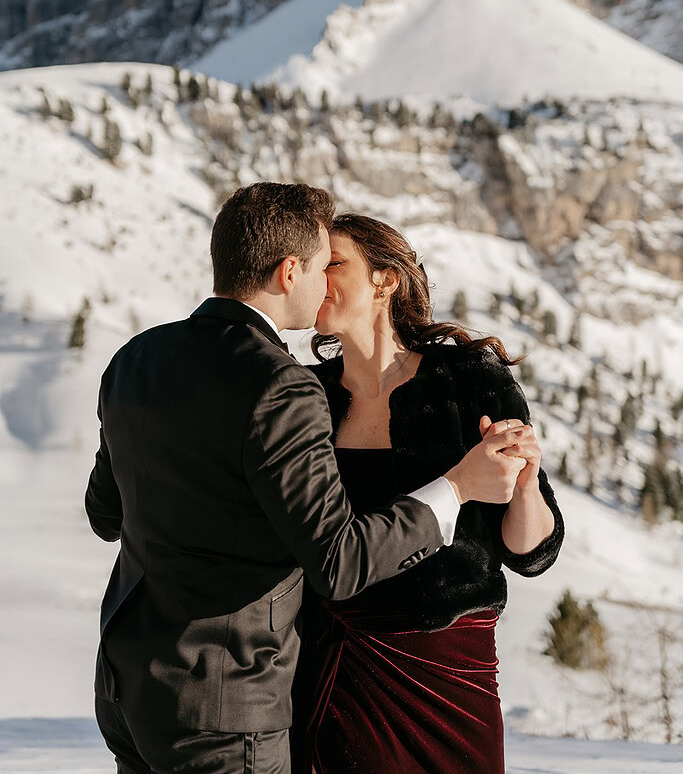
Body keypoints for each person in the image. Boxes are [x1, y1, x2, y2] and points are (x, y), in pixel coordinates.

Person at [84, 182, 527, 774]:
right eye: (322, 266)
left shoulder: (134, 359)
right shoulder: (284, 386)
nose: (324, 283)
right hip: (226, 702)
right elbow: (338, 563)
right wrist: (457, 488)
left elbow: (106, 515)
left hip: (129, 690)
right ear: (290, 272)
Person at [290, 213, 565, 774]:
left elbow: (532, 552)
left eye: (334, 263)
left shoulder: (468, 379)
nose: (318, 278)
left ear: (385, 279)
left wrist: (525, 481)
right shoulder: (306, 397)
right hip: (335, 661)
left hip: (449, 674)